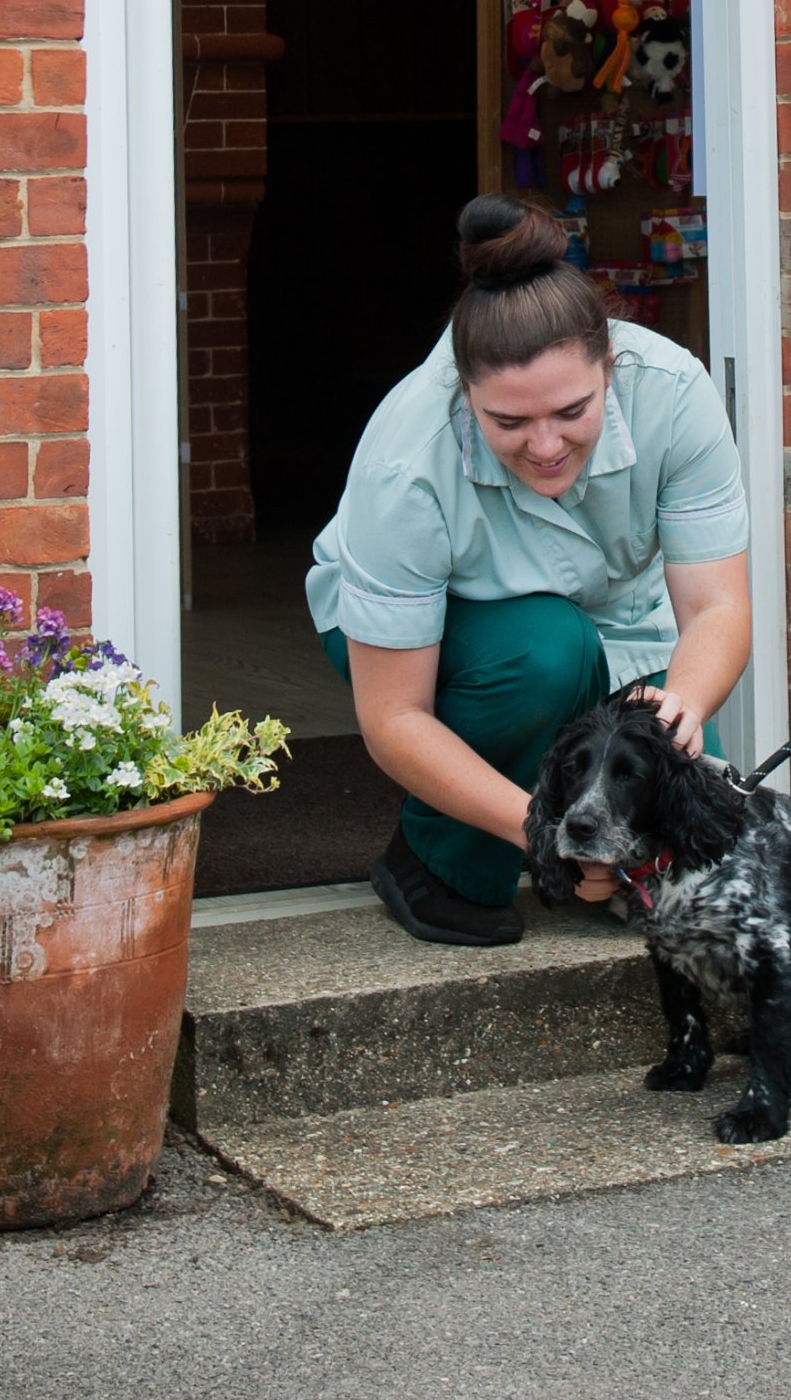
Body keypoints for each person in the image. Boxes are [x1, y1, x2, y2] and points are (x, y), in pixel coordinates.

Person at [307, 196, 752, 948]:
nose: (544, 445)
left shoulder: (675, 393)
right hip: (436, 636)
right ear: (466, 390)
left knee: (634, 728)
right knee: (545, 651)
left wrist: (679, 708)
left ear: (611, 363)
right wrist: (546, 832)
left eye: (571, 410)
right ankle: (434, 860)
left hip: (611, 615)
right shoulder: (404, 459)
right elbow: (394, 718)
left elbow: (717, 609)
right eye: (507, 423)